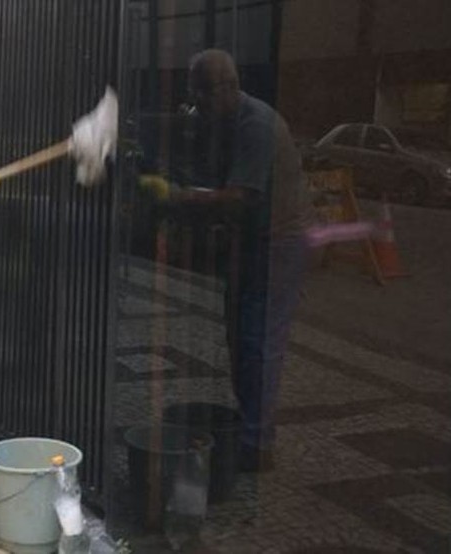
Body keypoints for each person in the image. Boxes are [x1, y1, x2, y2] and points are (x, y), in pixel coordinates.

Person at [141, 49, 315, 473]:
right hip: (250, 240)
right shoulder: (220, 119)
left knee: (259, 342)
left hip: (280, 242)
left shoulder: (257, 126)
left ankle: (257, 443)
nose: (195, 105)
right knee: (239, 338)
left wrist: (178, 197)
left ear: (226, 88)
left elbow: (239, 198)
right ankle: (247, 430)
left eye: (198, 96)